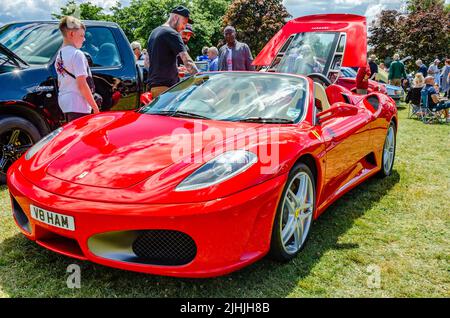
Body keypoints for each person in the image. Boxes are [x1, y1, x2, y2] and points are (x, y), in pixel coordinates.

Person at [147, 6, 198, 99]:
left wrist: (174, 70)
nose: (183, 27)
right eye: (183, 23)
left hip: (154, 88)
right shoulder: (172, 33)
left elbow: (147, 63)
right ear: (175, 18)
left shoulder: (153, 32)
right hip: (166, 89)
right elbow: (188, 61)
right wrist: (200, 78)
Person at [55, 16, 99, 122]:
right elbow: (82, 85)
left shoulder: (59, 55)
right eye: (81, 35)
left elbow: (60, 82)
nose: (84, 39)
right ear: (71, 34)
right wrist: (95, 107)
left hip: (64, 102)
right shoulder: (77, 54)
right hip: (78, 104)